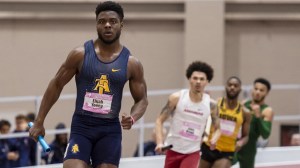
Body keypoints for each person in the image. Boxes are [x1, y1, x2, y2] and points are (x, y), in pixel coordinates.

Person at [29, 1, 148, 168]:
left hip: (109, 130)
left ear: (121, 25)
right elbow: (56, 84)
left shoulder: (131, 63)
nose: (107, 25)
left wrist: (133, 117)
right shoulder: (80, 54)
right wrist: (39, 121)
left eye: (112, 21)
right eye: (102, 21)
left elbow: (142, 99)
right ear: (97, 25)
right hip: (82, 126)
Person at [155, 61, 221, 168]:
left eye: (202, 79)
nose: (198, 82)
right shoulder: (176, 98)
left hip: (192, 152)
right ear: (189, 79)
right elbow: (159, 120)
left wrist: (214, 139)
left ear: (207, 81)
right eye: (195, 78)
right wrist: (159, 142)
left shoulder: (211, 105)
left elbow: (218, 129)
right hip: (173, 149)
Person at [200, 76, 251, 168]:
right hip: (209, 147)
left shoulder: (245, 112)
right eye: (230, 85)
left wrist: (241, 143)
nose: (232, 87)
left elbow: (246, 136)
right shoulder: (216, 104)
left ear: (240, 89)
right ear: (225, 87)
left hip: (227, 152)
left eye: (235, 85)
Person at [235, 78, 274, 168]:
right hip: (234, 143)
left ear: (267, 93)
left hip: (249, 148)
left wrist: (258, 116)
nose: (257, 92)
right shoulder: (244, 104)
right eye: (256, 89)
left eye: (261, 90)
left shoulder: (267, 110)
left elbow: (265, 134)